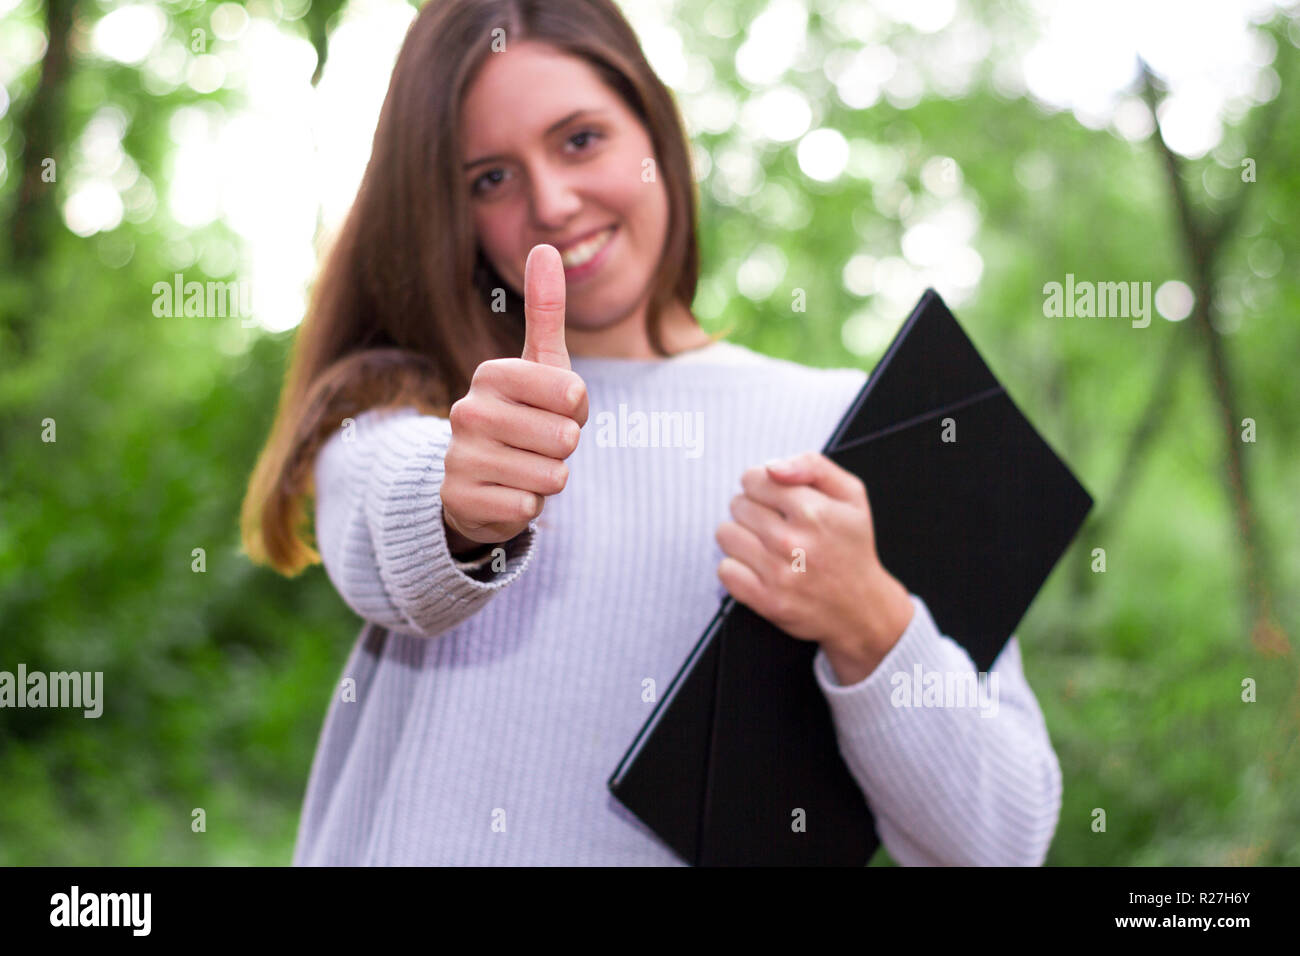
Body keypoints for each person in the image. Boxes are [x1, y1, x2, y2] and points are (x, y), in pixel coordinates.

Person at [241, 0, 1061, 866]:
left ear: (654, 132)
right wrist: (457, 505)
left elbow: (1001, 842)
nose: (552, 202)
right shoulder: (414, 407)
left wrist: (871, 623)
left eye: (580, 139)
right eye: (490, 177)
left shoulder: (850, 430)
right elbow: (381, 525)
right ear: (451, 212)